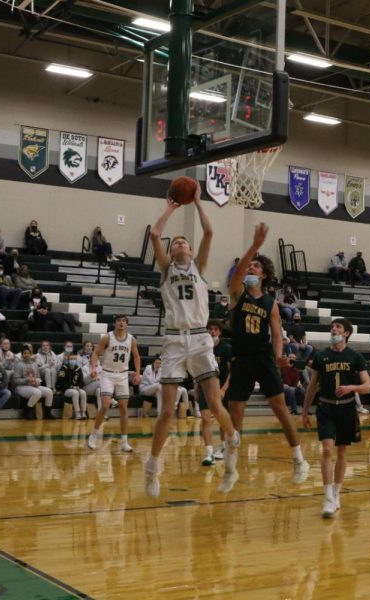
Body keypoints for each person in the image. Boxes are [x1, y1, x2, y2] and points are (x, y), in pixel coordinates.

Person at [143, 189, 241, 498]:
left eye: (184, 241)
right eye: (176, 243)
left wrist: (198, 201)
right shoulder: (166, 270)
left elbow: (209, 231)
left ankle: (231, 443)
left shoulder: (199, 266)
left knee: (213, 404)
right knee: (169, 411)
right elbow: (156, 233)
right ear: (171, 253)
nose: (180, 243)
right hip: (174, 340)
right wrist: (170, 207)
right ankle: (152, 466)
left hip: (200, 338)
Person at [225, 223, 309, 483]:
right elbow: (236, 275)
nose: (251, 268)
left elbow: (276, 333)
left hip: (263, 358)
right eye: (250, 265)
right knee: (235, 410)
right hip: (241, 357)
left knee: (280, 407)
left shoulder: (271, 303)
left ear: (263, 276)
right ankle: (230, 468)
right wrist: (254, 247)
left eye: (256, 266)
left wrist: (278, 356)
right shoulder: (237, 294)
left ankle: (299, 460)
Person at [302, 318, 370, 518]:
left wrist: (352, 387)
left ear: (347, 333)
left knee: (341, 452)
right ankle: (327, 498)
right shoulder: (322, 356)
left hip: (347, 409)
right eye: (332, 327)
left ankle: (336, 493)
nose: (334, 329)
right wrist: (305, 412)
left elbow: (368, 386)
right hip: (325, 407)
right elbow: (312, 385)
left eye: (338, 327)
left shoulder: (355, 357)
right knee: (326, 450)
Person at [87, 315, 142, 452]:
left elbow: (136, 356)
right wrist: (93, 368)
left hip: (123, 375)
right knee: (105, 406)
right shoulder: (107, 337)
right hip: (107, 374)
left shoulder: (131, 339)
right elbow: (95, 353)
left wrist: (137, 372)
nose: (121, 323)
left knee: (124, 408)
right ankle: (93, 435)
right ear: (115, 323)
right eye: (119, 321)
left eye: (124, 321)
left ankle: (124, 441)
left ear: (127, 324)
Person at [198, 320, 232, 466]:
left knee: (221, 419)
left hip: (223, 386)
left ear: (220, 332)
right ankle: (209, 453)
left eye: (215, 329)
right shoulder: (201, 348)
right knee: (205, 419)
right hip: (205, 386)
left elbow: (233, 371)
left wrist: (224, 389)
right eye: (210, 329)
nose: (212, 331)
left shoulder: (226, 348)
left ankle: (224, 446)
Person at [12, 346, 54, 420]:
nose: (26, 355)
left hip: (33, 385)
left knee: (49, 392)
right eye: (24, 353)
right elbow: (15, 380)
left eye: (28, 353)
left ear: (31, 354)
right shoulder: (19, 365)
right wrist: (26, 380)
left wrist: (38, 382)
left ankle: (47, 413)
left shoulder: (34, 364)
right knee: (37, 393)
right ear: (22, 355)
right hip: (21, 387)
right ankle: (27, 411)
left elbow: (38, 377)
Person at [56, 352, 88, 419]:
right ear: (68, 360)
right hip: (66, 389)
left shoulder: (78, 369)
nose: (72, 360)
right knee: (75, 393)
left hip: (76, 387)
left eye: (74, 359)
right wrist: (71, 387)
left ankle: (83, 412)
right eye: (71, 359)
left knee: (83, 393)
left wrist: (78, 387)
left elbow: (81, 381)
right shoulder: (64, 368)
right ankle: (77, 413)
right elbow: (60, 382)